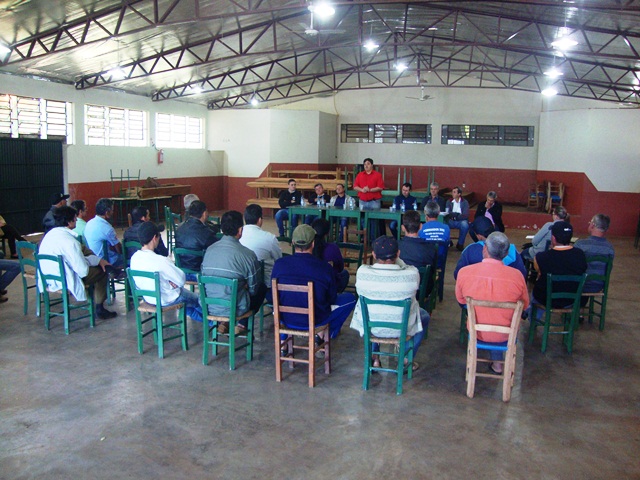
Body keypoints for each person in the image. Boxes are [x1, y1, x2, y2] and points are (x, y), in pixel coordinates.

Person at [350, 235, 430, 370]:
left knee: (372, 311)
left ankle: (374, 358)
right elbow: (406, 268)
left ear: (374, 255)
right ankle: (404, 358)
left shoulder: (362, 273)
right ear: (398, 254)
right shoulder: (411, 275)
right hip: (401, 328)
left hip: (372, 328)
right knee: (424, 316)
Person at [455, 231, 530, 373]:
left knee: (482, 314)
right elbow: (524, 305)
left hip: (477, 331)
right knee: (500, 317)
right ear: (506, 253)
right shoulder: (517, 277)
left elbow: (461, 300)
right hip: (506, 334)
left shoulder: (464, 272)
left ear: (484, 249)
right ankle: (498, 364)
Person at [270, 224, 356, 339]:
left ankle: (283, 344)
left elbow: (274, 294)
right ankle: (324, 335)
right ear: (313, 244)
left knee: (285, 302)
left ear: (293, 242)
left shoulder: (279, 264)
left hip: (285, 318)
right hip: (316, 320)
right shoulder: (324, 267)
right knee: (351, 298)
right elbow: (331, 298)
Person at [38, 205, 117, 319]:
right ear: (69, 221)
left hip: (50, 276)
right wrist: (94, 262)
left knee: (90, 257)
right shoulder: (70, 241)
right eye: (75, 218)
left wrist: (95, 260)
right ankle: (99, 307)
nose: (76, 220)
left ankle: (95, 297)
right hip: (66, 278)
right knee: (102, 271)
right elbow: (83, 271)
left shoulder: (49, 235)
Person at [201, 210, 266, 332]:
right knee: (261, 287)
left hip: (209, 306)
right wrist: (245, 286)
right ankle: (241, 324)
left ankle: (223, 322)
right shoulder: (248, 255)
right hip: (235, 308)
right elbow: (253, 289)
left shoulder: (209, 250)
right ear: (240, 230)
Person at [130, 221, 202, 322]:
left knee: (189, 307)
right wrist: (172, 284)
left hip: (149, 298)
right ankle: (216, 323)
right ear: (155, 238)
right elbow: (181, 280)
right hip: (166, 299)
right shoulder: (160, 260)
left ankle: (215, 324)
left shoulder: (134, 258)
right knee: (199, 300)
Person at [531, 221, 587, 312]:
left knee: (536, 291)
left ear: (553, 238)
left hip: (547, 299)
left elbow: (539, 273)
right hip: (572, 299)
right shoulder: (580, 255)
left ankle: (533, 319)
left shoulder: (541, 257)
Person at [454, 216, 527, 280]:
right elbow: (522, 275)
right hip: (506, 292)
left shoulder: (470, 250)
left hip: (476, 293)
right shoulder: (511, 249)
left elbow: (458, 275)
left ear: (479, 236)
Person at [239, 204, 282, 288]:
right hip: (266, 285)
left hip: (243, 283)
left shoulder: (238, 236)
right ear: (259, 220)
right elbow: (279, 260)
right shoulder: (270, 238)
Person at [175, 200, 218, 279]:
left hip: (181, 271)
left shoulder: (179, 228)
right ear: (204, 213)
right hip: (199, 273)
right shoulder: (206, 233)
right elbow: (217, 250)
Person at [399, 211, 437, 298]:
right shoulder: (431, 248)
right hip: (422, 291)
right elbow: (433, 270)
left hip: (400, 289)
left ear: (403, 228)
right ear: (420, 226)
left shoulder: (395, 247)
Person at [574, 214, 614, 293]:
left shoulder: (580, 244)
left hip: (580, 284)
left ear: (592, 225)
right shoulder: (610, 248)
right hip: (598, 286)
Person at [311, 218, 350, 293]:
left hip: (312, 283)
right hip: (329, 286)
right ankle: (337, 294)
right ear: (327, 233)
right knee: (345, 273)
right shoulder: (333, 248)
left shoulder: (308, 247)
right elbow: (340, 267)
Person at [84, 198, 123, 268]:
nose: (113, 213)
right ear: (107, 213)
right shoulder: (107, 228)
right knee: (130, 257)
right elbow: (119, 250)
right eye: (112, 210)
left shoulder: (89, 223)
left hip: (93, 258)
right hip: (107, 261)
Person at [419, 200, 450, 269]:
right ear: (439, 213)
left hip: (424, 263)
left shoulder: (421, 228)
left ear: (425, 213)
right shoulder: (446, 228)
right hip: (440, 262)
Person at [446, 186, 470, 251]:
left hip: (461, 221)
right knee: (444, 224)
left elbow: (465, 215)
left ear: (459, 194)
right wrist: (457, 214)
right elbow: (448, 213)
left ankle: (460, 244)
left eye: (454, 192)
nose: (452, 193)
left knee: (465, 225)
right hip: (451, 220)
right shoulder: (449, 201)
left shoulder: (465, 202)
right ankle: (448, 241)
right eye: (452, 192)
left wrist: (455, 216)